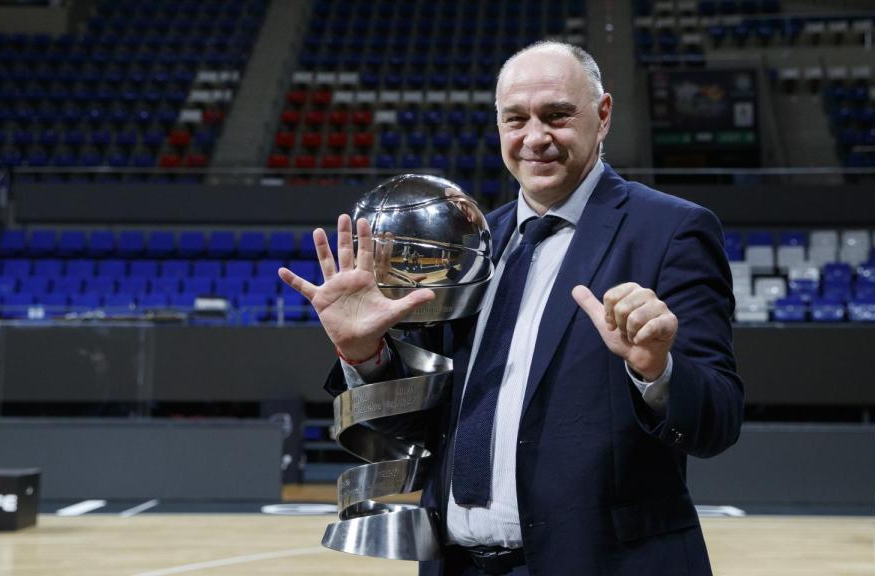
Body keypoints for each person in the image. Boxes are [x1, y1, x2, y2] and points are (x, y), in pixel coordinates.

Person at [279, 41, 743, 576]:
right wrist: (363, 353)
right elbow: (409, 429)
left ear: (604, 114)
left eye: (557, 115)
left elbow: (718, 420)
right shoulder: (469, 244)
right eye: (515, 119)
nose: (535, 137)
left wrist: (656, 370)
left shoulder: (671, 230)